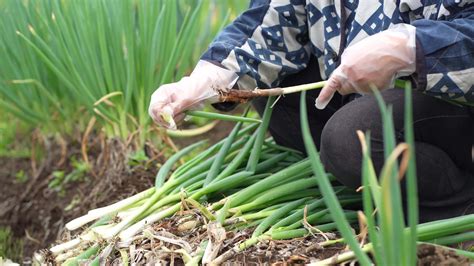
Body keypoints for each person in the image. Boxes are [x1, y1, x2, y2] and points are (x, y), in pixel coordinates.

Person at [149, 1, 474, 223]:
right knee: (271, 96)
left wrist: (409, 48)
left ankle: (456, 204)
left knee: (351, 140)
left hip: (451, 97)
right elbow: (272, 21)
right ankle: (367, 183)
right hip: (359, 90)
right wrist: (204, 82)